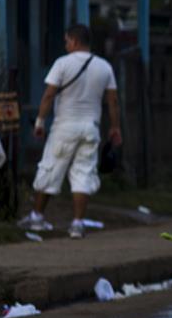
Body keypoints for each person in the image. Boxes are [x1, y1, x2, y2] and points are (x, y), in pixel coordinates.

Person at [19, 24, 121, 239]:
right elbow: (112, 101)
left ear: (74, 41)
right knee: (84, 174)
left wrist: (39, 123)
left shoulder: (62, 64)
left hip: (64, 127)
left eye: (67, 41)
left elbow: (48, 95)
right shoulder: (104, 67)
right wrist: (115, 127)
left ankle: (37, 217)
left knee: (50, 169)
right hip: (90, 128)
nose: (66, 46)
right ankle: (77, 224)